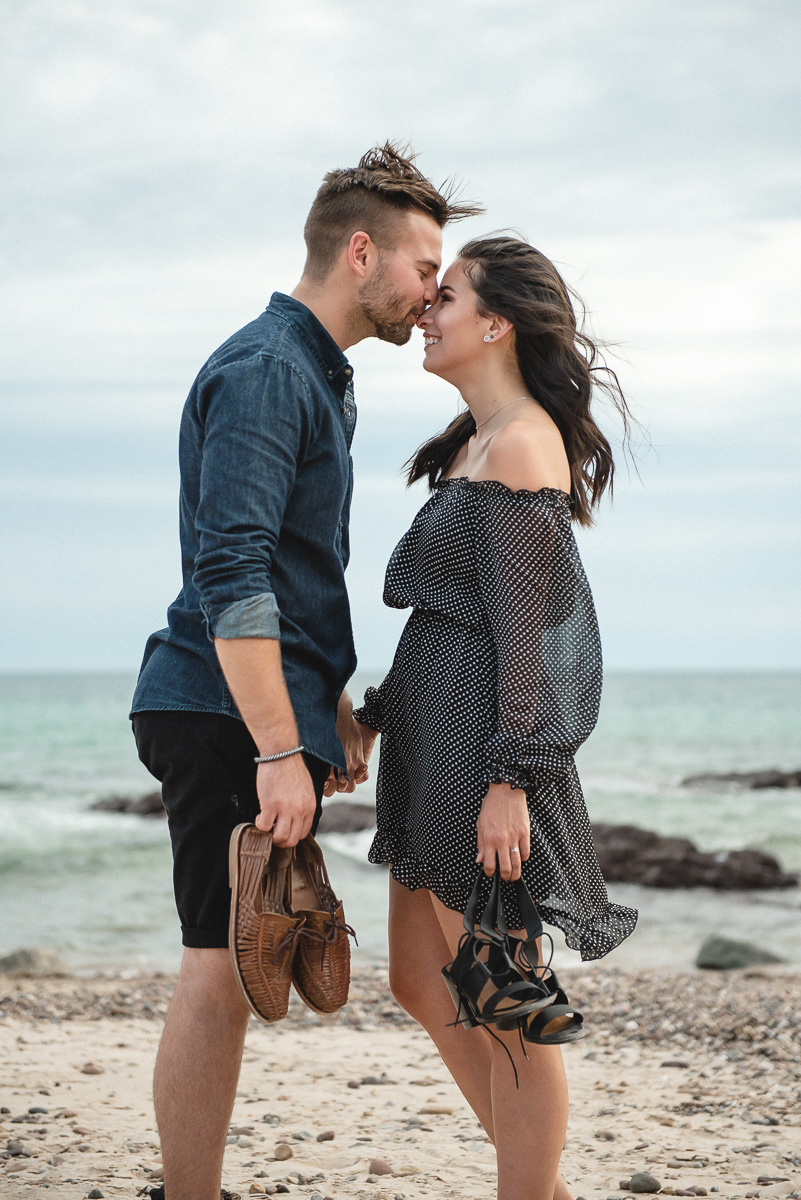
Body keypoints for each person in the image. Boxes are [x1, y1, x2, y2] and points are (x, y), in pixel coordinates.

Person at [129, 143, 481, 1200]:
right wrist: (281, 744)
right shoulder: (272, 370)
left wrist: (323, 692)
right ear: (359, 250)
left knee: (232, 964)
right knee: (217, 968)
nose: (431, 296)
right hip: (216, 707)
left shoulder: (315, 372)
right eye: (424, 266)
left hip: (246, 702)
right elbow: (230, 566)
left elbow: (287, 568)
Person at [353, 236, 639, 1200]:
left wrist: (511, 778)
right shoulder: (473, 444)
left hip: (484, 756)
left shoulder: (520, 445)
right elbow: (452, 619)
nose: (426, 314)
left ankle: (528, 1191)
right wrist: (378, 715)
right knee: (418, 981)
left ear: (495, 322)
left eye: (447, 298)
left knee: (504, 1000)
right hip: (431, 747)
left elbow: (539, 637)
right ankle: (541, 1185)